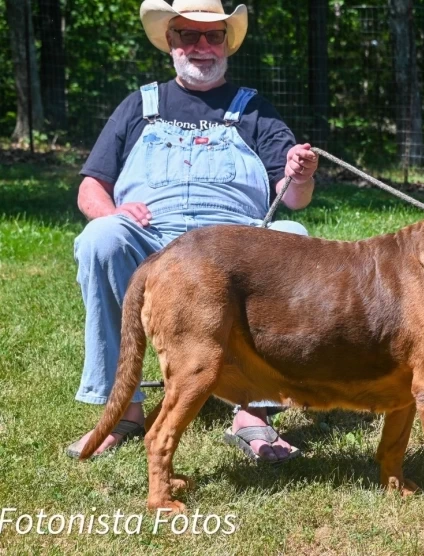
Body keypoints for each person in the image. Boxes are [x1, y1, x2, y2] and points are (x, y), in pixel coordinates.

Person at [66, 0, 318, 463]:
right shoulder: (139, 105)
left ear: (227, 43)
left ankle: (255, 412)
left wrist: (298, 175)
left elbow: (293, 196)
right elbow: (90, 187)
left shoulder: (254, 109)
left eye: (213, 36)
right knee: (101, 239)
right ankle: (123, 412)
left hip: (236, 248)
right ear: (170, 42)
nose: (202, 46)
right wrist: (111, 212)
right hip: (152, 242)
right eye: (188, 35)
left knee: (293, 232)